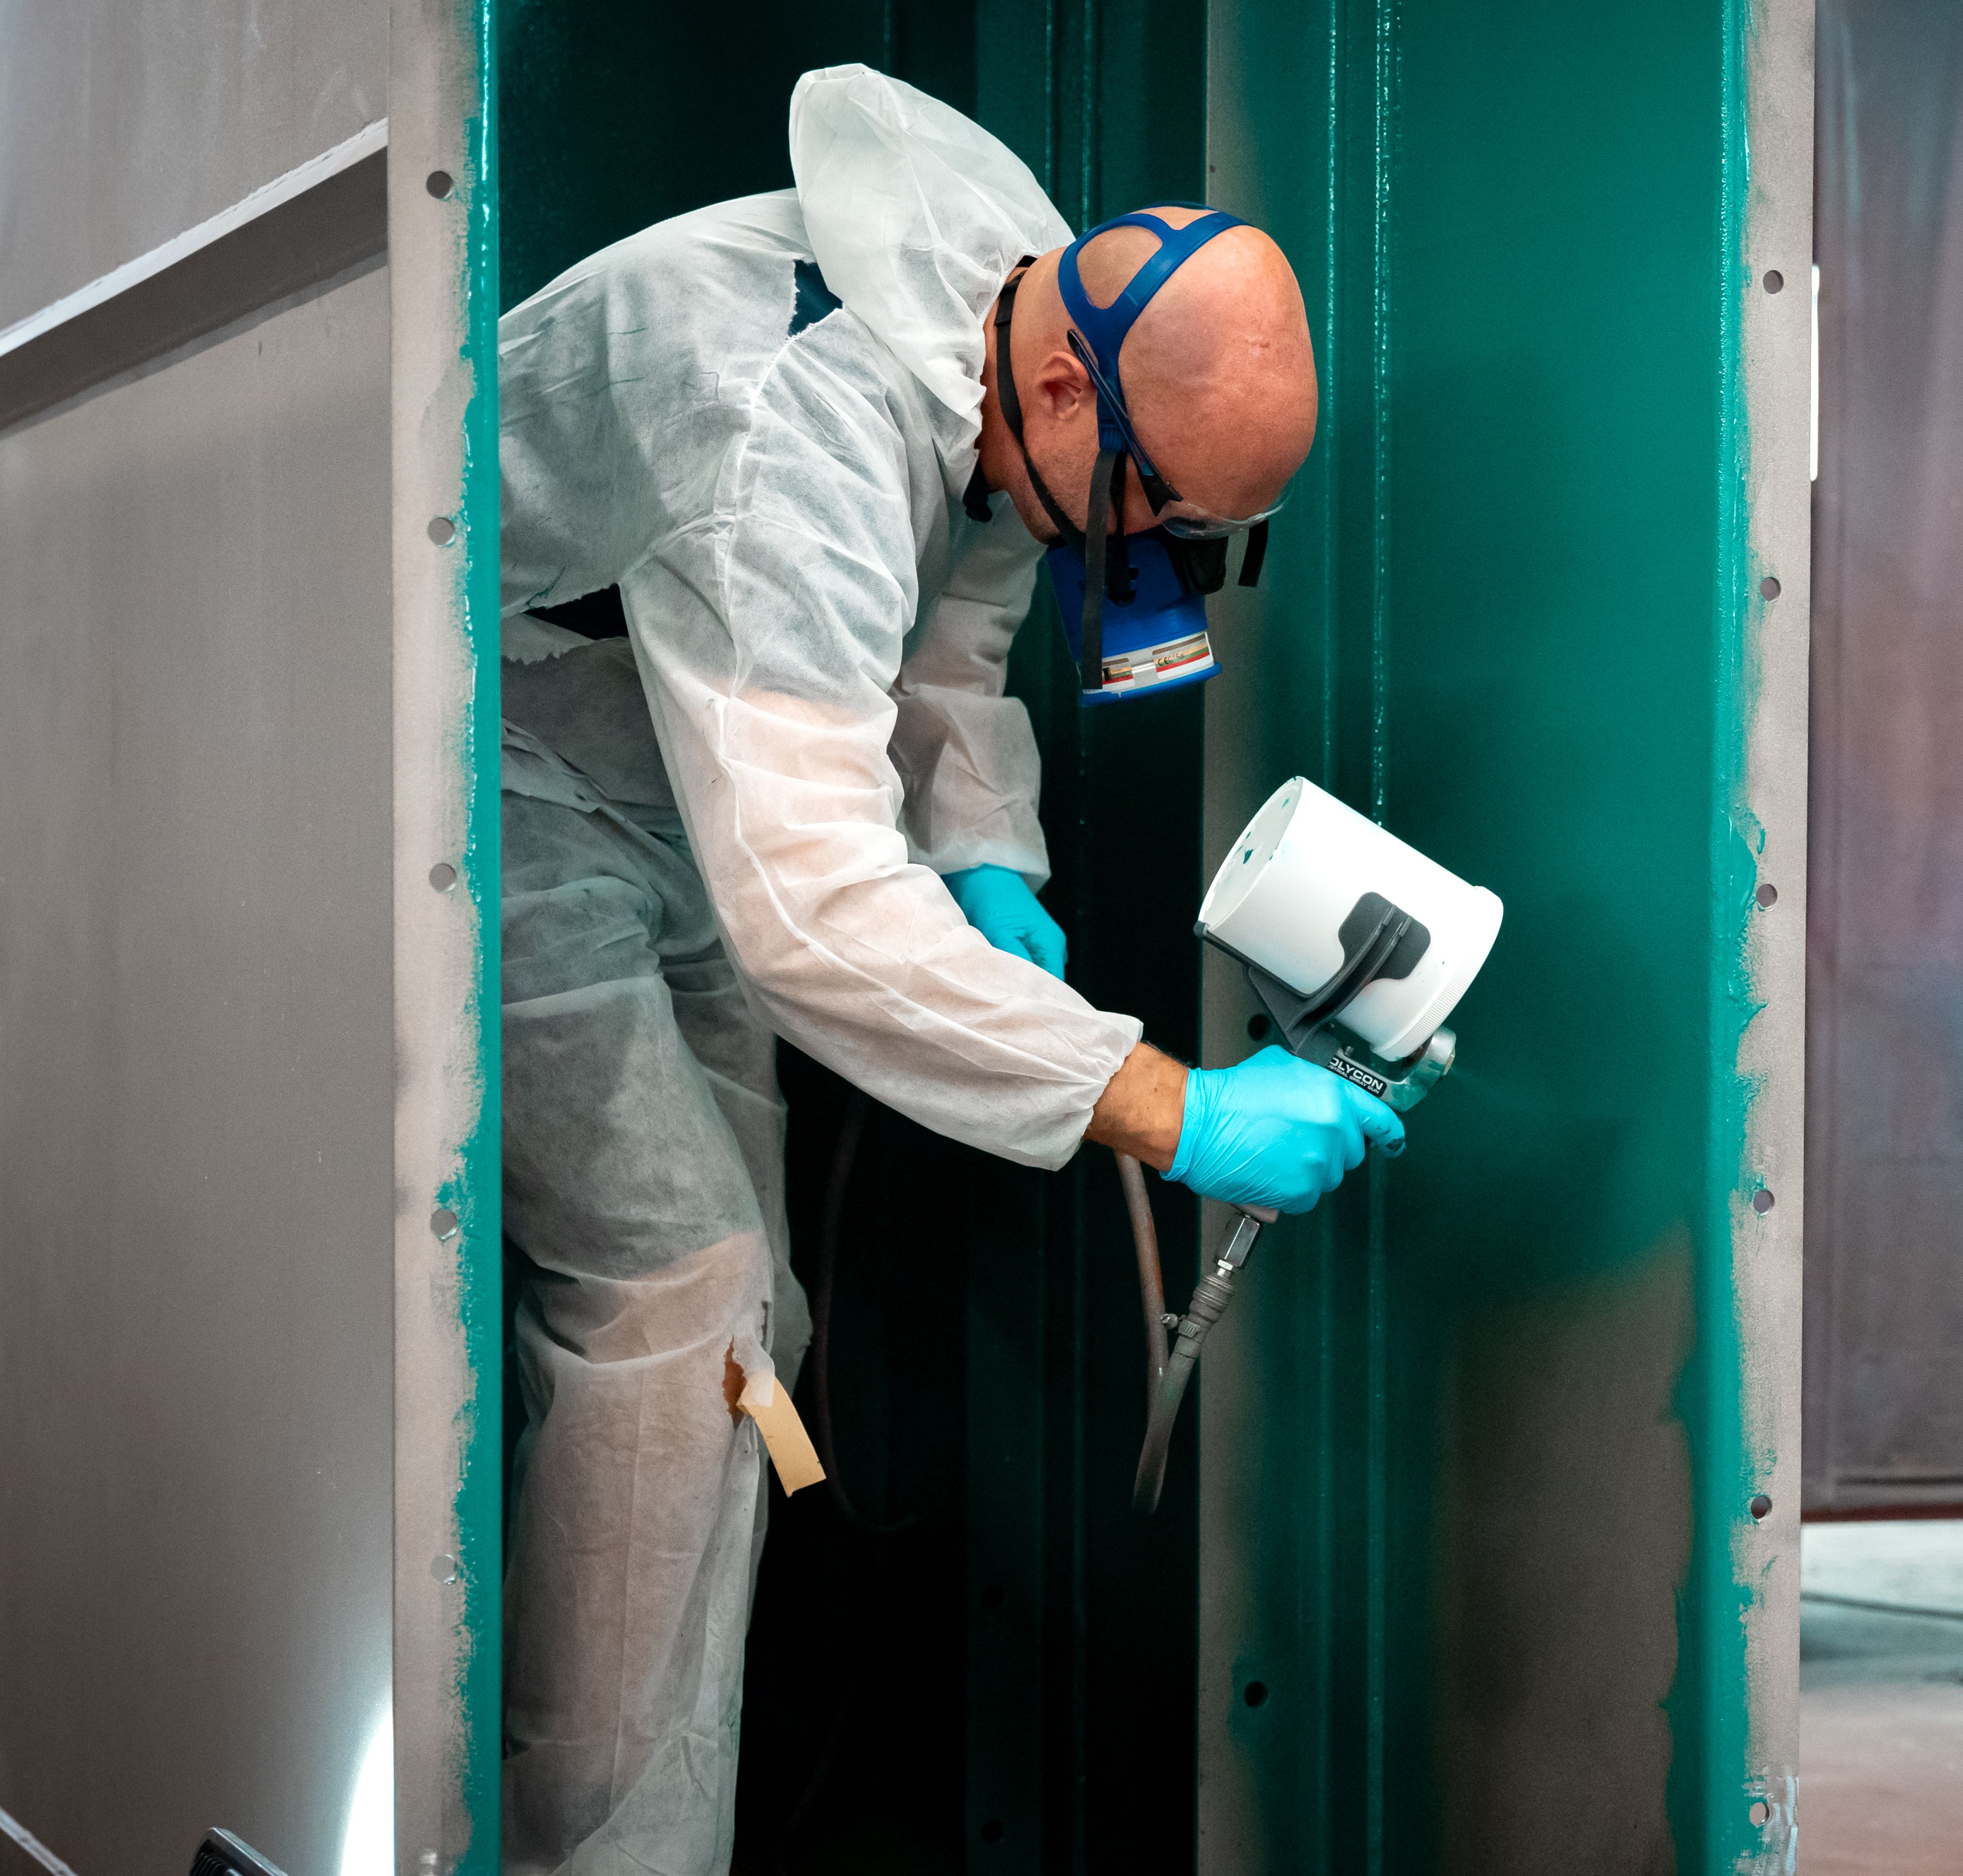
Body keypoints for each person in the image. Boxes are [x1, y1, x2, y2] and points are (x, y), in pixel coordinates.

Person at [491, 63, 1397, 1875]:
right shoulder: (782, 437)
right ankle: (580, 1858)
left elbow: (972, 572)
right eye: (1154, 516)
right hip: (491, 772)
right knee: (688, 1298)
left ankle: (635, 1808)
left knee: (756, 1332)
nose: (1148, 562)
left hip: (683, 766)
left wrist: (983, 851)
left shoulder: (1012, 302)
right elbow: (815, 914)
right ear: (1072, 380)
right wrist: (1169, 1108)